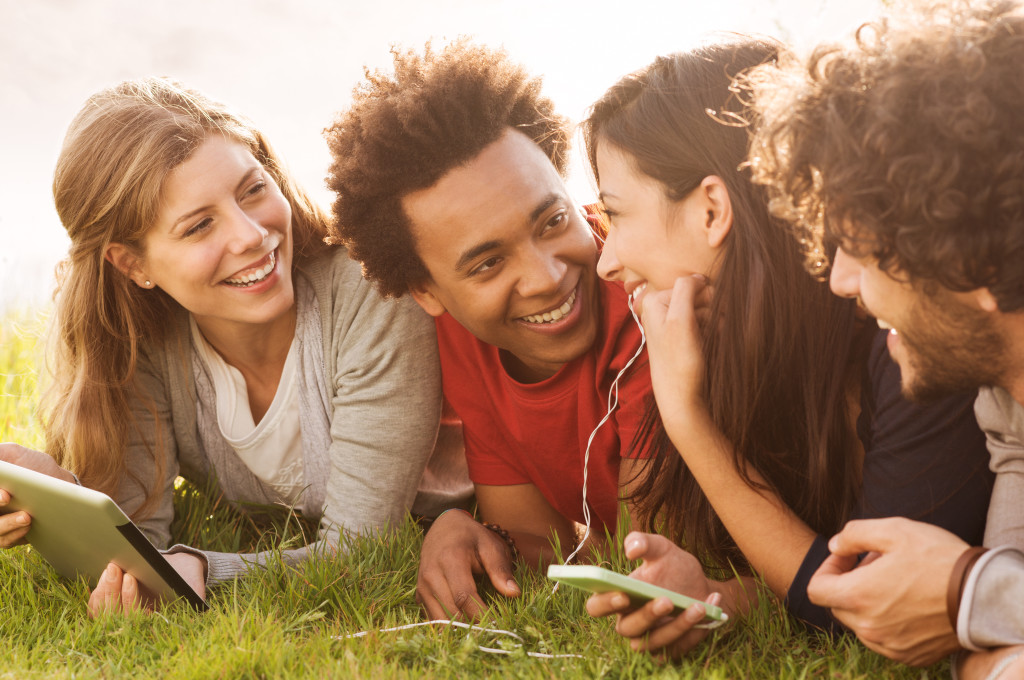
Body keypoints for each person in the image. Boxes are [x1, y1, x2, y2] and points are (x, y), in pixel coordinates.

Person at [578, 37, 994, 661]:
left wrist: (689, 421)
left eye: (616, 214)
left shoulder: (909, 339)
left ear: (713, 209)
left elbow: (864, 608)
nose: (606, 261)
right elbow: (817, 559)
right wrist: (722, 593)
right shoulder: (753, 350)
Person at [0, 77, 441, 616]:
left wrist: (206, 569)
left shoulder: (367, 293)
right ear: (133, 264)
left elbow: (362, 549)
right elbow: (142, 546)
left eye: (253, 189)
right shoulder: (146, 341)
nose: (252, 234)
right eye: (200, 226)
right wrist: (66, 499)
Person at [324, 39, 652, 621]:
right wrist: (468, 531)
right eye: (487, 263)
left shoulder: (645, 298)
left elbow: (644, 559)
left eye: (553, 220)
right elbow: (543, 544)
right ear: (426, 293)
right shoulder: (463, 340)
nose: (547, 278)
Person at [744, 0, 1024, 675]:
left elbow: (987, 617)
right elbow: (994, 655)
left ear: (972, 260)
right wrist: (972, 609)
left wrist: (967, 590)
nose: (841, 282)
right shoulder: (1005, 406)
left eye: (860, 251)